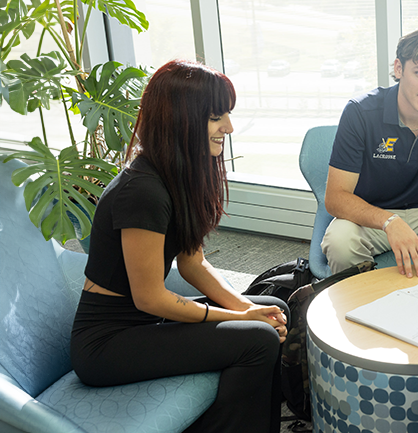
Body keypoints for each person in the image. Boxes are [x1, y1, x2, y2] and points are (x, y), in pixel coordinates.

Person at [70, 60, 288, 433]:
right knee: (257, 339)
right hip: (107, 342)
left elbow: (193, 265)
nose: (229, 128)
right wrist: (240, 319)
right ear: (182, 121)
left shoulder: (178, 173)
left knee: (272, 309)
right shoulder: (143, 190)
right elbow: (150, 299)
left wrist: (249, 308)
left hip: (144, 324)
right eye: (216, 117)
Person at [322, 28, 418, 278]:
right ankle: (362, 307)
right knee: (340, 242)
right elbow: (335, 198)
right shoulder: (360, 112)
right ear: (399, 69)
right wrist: (390, 222)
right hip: (373, 217)